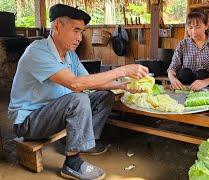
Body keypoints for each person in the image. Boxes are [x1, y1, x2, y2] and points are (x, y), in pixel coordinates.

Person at [8, 4, 148, 180]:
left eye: (81, 31)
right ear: (57, 27)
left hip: (52, 112)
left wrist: (123, 86)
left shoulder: (69, 55)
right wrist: (123, 70)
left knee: (104, 97)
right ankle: (72, 164)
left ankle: (80, 142)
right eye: (76, 30)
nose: (80, 38)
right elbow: (76, 84)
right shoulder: (37, 51)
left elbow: (91, 82)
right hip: (28, 122)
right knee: (79, 99)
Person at [167, 10, 209, 91]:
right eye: (190, 28)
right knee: (185, 72)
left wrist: (204, 82)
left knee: (202, 73)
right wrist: (172, 79)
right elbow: (173, 67)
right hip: (188, 86)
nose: (193, 31)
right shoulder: (183, 44)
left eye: (198, 27)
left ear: (206, 26)